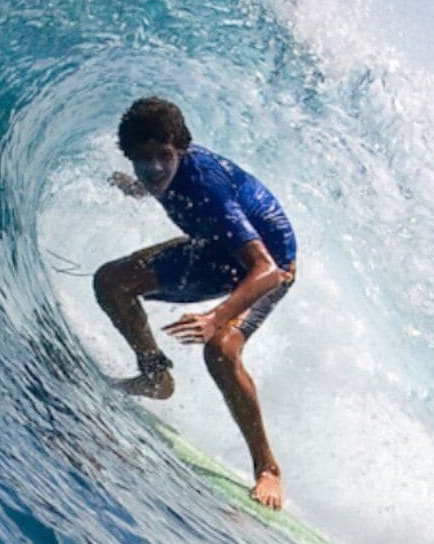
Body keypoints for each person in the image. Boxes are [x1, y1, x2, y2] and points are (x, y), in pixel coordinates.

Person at [93, 96, 297, 509]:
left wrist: (216, 316)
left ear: (181, 150)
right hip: (212, 251)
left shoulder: (205, 185)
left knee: (220, 349)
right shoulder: (160, 175)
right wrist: (135, 188)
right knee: (112, 281)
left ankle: (267, 469)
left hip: (269, 267)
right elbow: (157, 181)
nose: (153, 169)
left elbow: (267, 269)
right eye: (141, 159)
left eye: (162, 157)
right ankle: (155, 376)